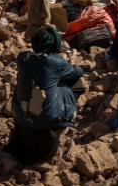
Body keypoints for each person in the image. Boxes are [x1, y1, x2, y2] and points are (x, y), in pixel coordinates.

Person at [6, 25, 85, 166]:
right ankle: (67, 117)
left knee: (34, 86)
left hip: (22, 115)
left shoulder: (22, 57)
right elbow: (77, 72)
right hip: (45, 123)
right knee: (75, 84)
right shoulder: (54, 62)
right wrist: (69, 64)